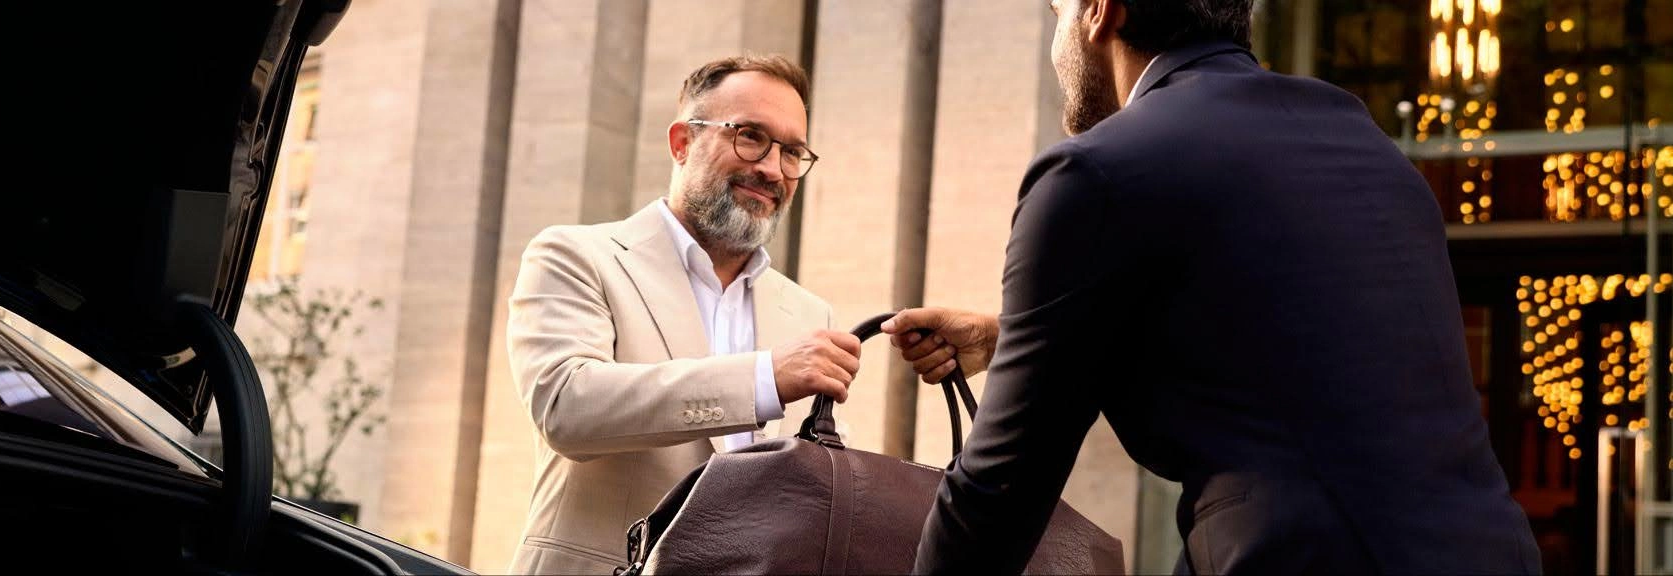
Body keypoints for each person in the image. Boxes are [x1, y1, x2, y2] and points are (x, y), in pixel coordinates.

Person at [886, 1, 1542, 573]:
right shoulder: (1364, 144)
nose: (1056, 44)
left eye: (1056, 12)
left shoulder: (1093, 172)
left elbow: (1001, 489)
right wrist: (1013, 340)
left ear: (1099, 11)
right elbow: (1286, 356)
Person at [503, 54, 861, 575]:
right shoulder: (575, 256)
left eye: (792, 152)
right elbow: (566, 406)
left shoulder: (809, 312)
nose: (771, 169)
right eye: (750, 136)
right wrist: (763, 377)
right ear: (682, 142)